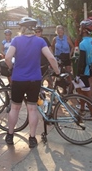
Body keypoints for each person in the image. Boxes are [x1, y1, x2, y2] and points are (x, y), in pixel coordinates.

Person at [5, 17, 60, 148]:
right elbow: (51, 57)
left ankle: (10, 135)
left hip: (18, 79)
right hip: (34, 79)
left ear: (22, 28)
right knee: (32, 109)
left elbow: (7, 57)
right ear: (33, 28)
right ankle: (32, 138)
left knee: (15, 108)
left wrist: (11, 68)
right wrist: (57, 71)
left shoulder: (16, 40)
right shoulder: (40, 41)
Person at [74, 19, 92, 120]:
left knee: (87, 94)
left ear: (84, 30)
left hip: (84, 71)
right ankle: (82, 110)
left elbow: (82, 61)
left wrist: (78, 75)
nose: (79, 29)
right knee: (81, 91)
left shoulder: (83, 43)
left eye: (80, 27)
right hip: (90, 68)